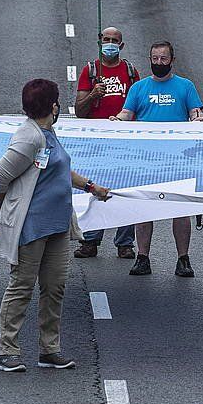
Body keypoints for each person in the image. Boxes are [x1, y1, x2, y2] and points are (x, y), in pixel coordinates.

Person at [0, 79, 111, 373]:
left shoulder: (47, 132)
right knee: (21, 286)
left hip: (57, 226)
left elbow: (59, 168)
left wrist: (90, 186)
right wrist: (3, 203)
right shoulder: (29, 137)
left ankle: (49, 349)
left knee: (54, 287)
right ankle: (7, 351)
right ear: (52, 106)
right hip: (31, 226)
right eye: (57, 101)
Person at [112, 42, 203, 278]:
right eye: (155, 59)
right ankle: (143, 257)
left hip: (178, 159)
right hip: (146, 159)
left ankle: (183, 259)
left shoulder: (186, 86)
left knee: (180, 210)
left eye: (164, 59)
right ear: (150, 59)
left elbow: (196, 112)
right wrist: (117, 121)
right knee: (144, 209)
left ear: (172, 60)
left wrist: (197, 119)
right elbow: (127, 114)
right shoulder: (139, 88)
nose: (159, 63)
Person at [73, 27, 140, 259]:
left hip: (124, 143)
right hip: (96, 143)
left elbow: (138, 106)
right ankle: (90, 240)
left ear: (121, 46)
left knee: (124, 190)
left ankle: (124, 243)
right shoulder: (89, 71)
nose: (110, 44)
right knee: (93, 189)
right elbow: (80, 111)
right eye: (106, 40)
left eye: (115, 41)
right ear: (100, 42)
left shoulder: (130, 71)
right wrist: (93, 94)